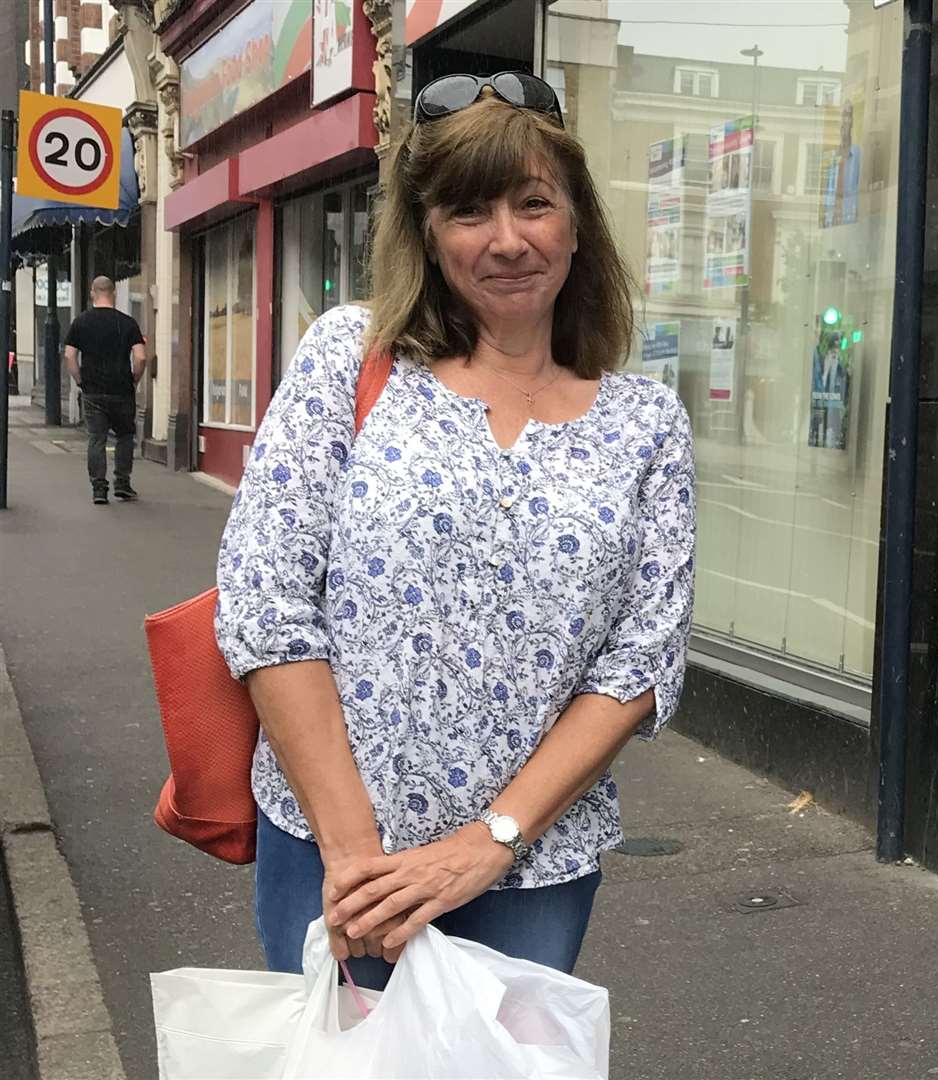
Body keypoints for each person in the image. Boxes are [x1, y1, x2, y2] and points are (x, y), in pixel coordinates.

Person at [214, 71, 696, 989]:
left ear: (577, 222)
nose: (507, 240)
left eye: (534, 204)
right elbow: (267, 605)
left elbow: (639, 663)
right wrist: (354, 857)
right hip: (336, 852)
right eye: (470, 211)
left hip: (531, 869)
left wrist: (489, 844)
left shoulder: (644, 424)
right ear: (428, 236)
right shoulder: (352, 362)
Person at [63, 276, 146, 504]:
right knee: (125, 436)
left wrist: (80, 381)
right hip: (121, 389)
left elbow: (70, 356)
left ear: (92, 293)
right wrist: (134, 380)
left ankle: (99, 489)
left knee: (96, 439)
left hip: (93, 391)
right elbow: (140, 357)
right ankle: (122, 483)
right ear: (114, 294)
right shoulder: (128, 323)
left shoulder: (81, 322)